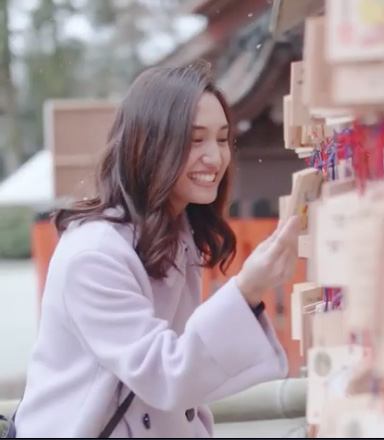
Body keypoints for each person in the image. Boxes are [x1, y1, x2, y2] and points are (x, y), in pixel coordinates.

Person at [12, 62, 300, 437]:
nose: (214, 158)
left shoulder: (176, 232)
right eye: (195, 140)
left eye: (222, 138)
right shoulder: (94, 255)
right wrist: (247, 289)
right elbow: (165, 374)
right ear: (150, 144)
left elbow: (181, 390)